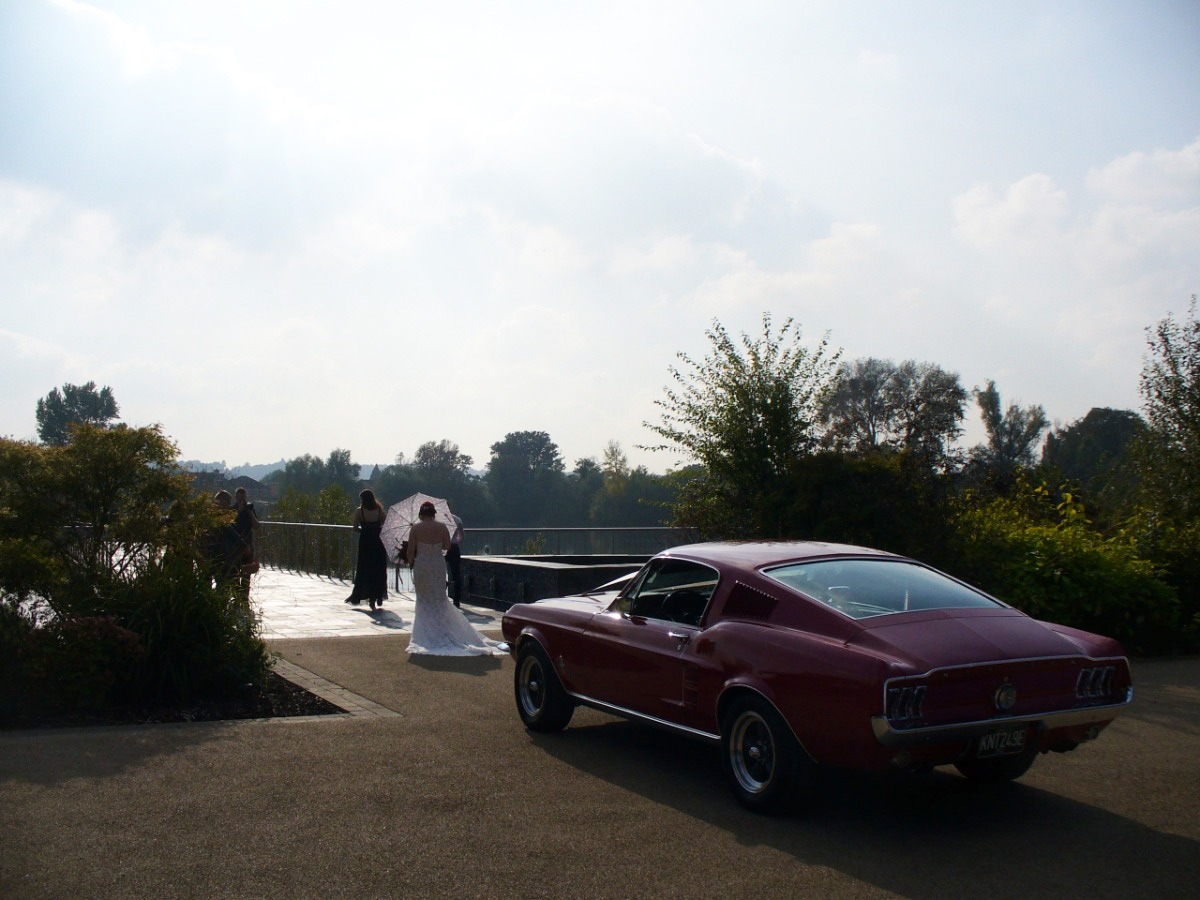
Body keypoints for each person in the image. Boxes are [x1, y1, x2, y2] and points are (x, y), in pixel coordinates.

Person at [405, 500, 505, 656]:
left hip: (422, 565)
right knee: (439, 597)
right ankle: (441, 629)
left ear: (420, 514)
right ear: (434, 513)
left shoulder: (416, 528)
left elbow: (411, 550)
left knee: (424, 598)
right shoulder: (442, 527)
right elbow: (447, 546)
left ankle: (425, 633)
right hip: (437, 565)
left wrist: (411, 562)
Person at [345, 489, 389, 610]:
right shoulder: (379, 511)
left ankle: (369, 597)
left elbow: (355, 528)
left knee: (365, 569)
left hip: (365, 543)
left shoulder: (360, 511)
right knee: (378, 569)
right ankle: (379, 594)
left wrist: (364, 531)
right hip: (378, 542)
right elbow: (386, 524)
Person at [446, 511, 464, 607]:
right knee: (456, 574)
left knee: (438, 572)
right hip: (454, 547)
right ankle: (456, 600)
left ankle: (440, 596)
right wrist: (456, 541)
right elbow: (462, 535)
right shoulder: (457, 519)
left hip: (442, 548)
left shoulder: (438, 520)